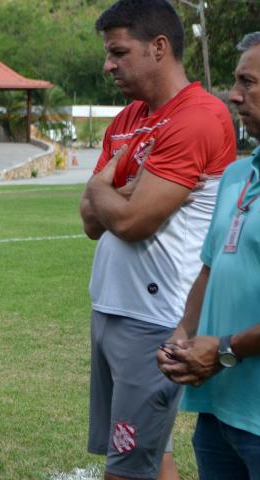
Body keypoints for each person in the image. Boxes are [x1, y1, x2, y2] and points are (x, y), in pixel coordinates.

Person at [79, 1, 237, 479]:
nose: (108, 65)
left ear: (159, 48)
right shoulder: (128, 118)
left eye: (119, 52)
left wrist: (110, 190)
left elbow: (131, 222)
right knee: (151, 452)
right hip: (110, 306)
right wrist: (113, 194)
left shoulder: (199, 118)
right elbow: (91, 217)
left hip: (155, 319)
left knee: (126, 468)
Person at [157, 32, 260, 480]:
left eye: (248, 82)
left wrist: (222, 351)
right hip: (219, 412)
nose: (234, 94)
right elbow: (210, 267)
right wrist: (182, 337)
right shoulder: (239, 173)